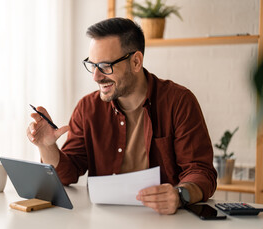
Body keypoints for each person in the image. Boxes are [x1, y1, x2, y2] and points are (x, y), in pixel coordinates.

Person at [27, 17, 217, 215]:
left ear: (136, 62)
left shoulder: (178, 102)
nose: (96, 77)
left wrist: (179, 195)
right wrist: (47, 146)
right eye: (92, 65)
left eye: (105, 66)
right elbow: (68, 173)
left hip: (164, 222)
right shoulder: (87, 108)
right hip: (104, 222)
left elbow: (201, 172)